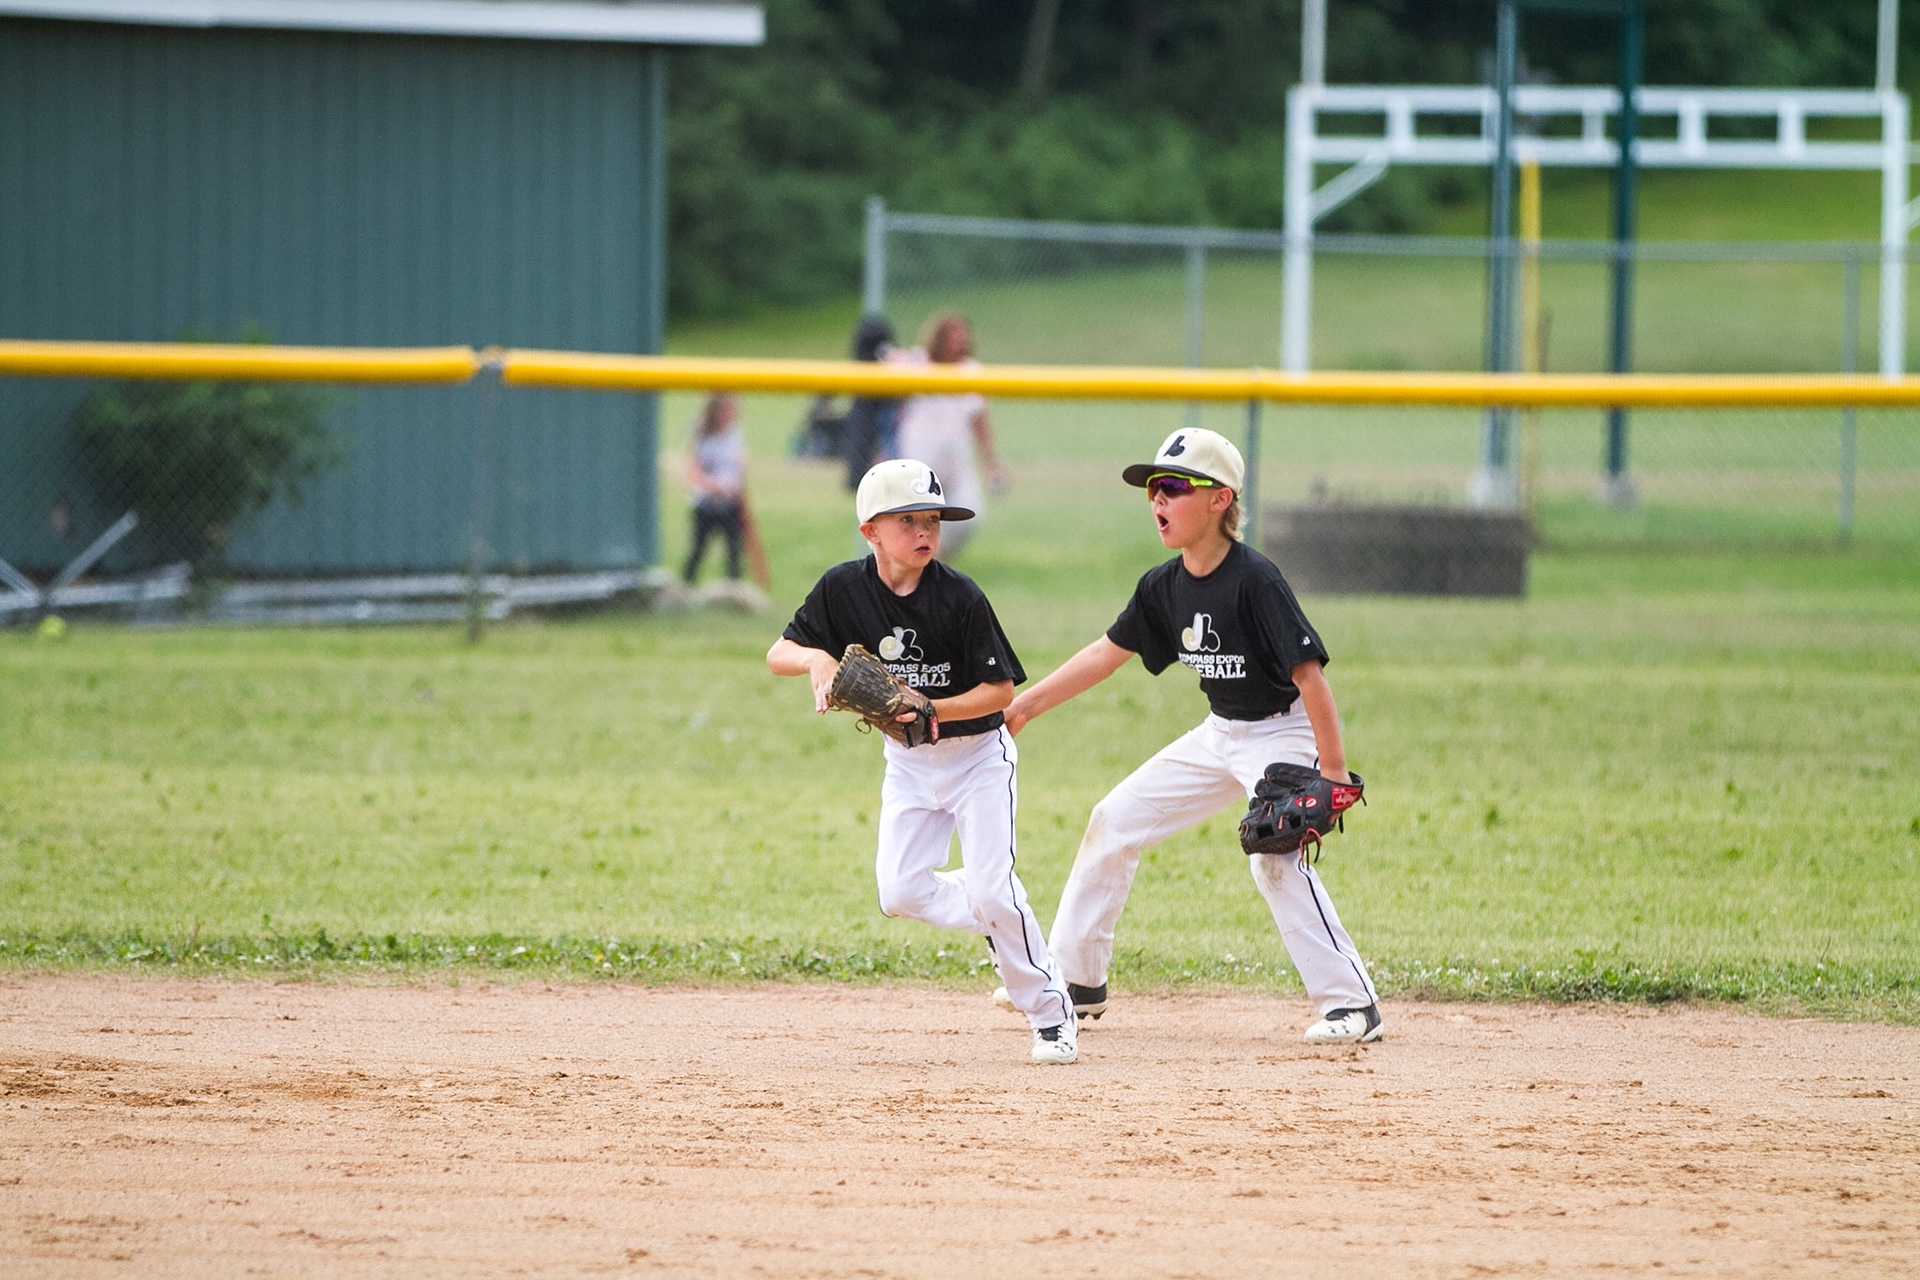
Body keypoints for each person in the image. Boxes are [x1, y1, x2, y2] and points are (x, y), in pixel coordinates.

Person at [997, 427, 1383, 1045]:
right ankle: (1077, 979)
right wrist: (1025, 706)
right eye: (1153, 487)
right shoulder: (1163, 587)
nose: (1158, 498)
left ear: (1219, 499)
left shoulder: (1255, 580)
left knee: (1274, 860)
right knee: (1114, 819)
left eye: (1174, 486)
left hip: (1281, 733)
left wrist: (1333, 773)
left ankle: (1352, 1005)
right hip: (1218, 732)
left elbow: (1310, 677)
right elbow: (1105, 653)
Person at [766, 458, 1078, 1065]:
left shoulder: (960, 597)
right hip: (907, 762)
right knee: (901, 891)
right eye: (906, 520)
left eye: (932, 519)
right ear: (870, 531)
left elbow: (1000, 693)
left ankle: (1050, 1013)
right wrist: (816, 659)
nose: (924, 531)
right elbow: (780, 652)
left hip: (978, 758)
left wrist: (930, 707)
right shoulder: (843, 588)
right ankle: (1001, 915)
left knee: (994, 891)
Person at [892, 312, 1007, 560]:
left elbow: (980, 421)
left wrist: (991, 463)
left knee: (970, 514)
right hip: (920, 459)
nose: (958, 339)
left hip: (956, 460)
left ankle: (931, 563)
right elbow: (890, 374)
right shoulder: (918, 363)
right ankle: (904, 565)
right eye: (952, 333)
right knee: (912, 519)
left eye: (962, 333)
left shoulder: (971, 370)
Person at [682, 392, 747, 584]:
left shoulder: (734, 434)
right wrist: (713, 484)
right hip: (707, 504)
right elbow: (693, 472)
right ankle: (686, 586)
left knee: (734, 549)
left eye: (732, 410)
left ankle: (733, 588)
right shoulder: (703, 437)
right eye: (725, 410)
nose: (729, 415)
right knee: (698, 549)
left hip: (730, 502)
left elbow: (739, 463)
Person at [841, 314, 900, 491]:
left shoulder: (882, 350)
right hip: (867, 403)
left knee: (886, 443)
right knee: (863, 441)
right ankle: (859, 480)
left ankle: (887, 481)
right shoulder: (871, 351)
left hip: (882, 403)